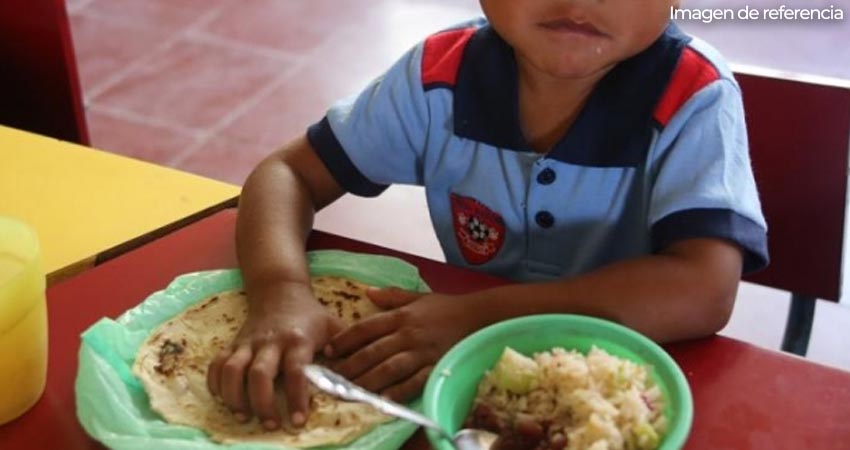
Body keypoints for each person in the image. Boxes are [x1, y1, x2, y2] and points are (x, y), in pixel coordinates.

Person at [207, 0, 768, 432]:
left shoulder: (693, 97)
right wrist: (280, 290)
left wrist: (481, 318)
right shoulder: (437, 77)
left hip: (632, 386)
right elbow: (287, 174)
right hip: (461, 375)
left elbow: (703, 290)